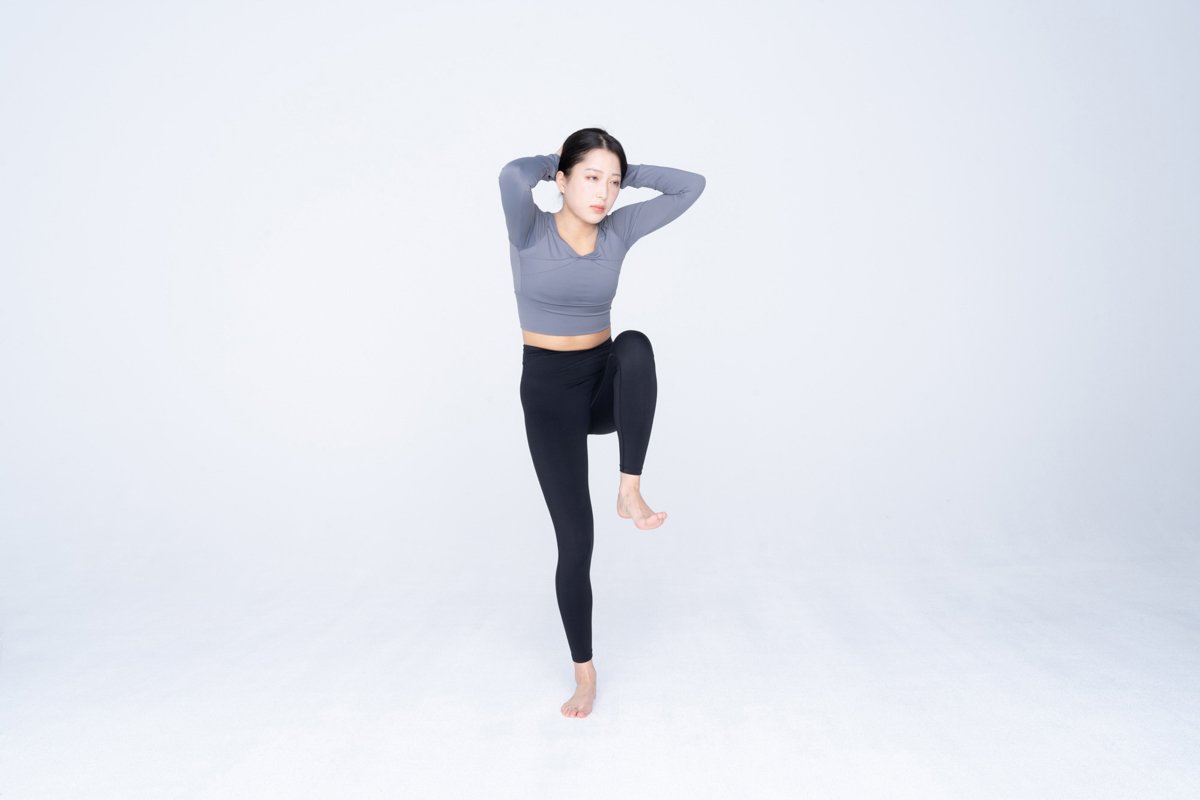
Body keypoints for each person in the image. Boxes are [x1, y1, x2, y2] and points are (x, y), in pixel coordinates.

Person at [498, 127, 705, 718]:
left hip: (602, 386)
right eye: (592, 178)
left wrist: (624, 169)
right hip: (548, 396)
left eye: (613, 183)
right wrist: (558, 161)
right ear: (562, 180)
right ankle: (584, 674)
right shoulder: (529, 229)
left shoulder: (617, 230)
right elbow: (512, 175)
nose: (604, 193)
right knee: (576, 541)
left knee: (634, 344)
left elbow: (691, 187)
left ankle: (629, 488)